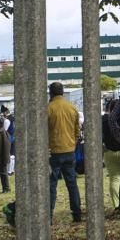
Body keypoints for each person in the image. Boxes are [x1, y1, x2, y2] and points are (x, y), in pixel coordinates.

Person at [48, 82, 82, 223]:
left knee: (51, 184)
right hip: (69, 150)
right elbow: (77, 131)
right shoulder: (72, 108)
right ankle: (77, 213)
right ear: (62, 92)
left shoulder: (48, 108)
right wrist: (72, 142)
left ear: (51, 93)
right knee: (72, 183)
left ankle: (48, 214)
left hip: (54, 151)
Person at [0, 116, 11, 193]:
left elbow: (6, 147)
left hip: (2, 158)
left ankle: (6, 188)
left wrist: (5, 158)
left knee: (3, 173)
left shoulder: (3, 133)